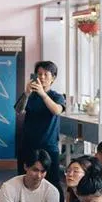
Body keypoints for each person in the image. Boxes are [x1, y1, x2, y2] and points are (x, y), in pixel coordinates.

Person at [21, 61, 66, 189]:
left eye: (46, 74)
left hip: (48, 145)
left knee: (52, 181)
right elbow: (19, 110)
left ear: (53, 78)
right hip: (28, 144)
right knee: (25, 179)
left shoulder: (57, 96)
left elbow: (57, 110)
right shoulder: (31, 95)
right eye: (39, 74)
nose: (42, 77)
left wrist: (42, 94)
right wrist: (26, 93)